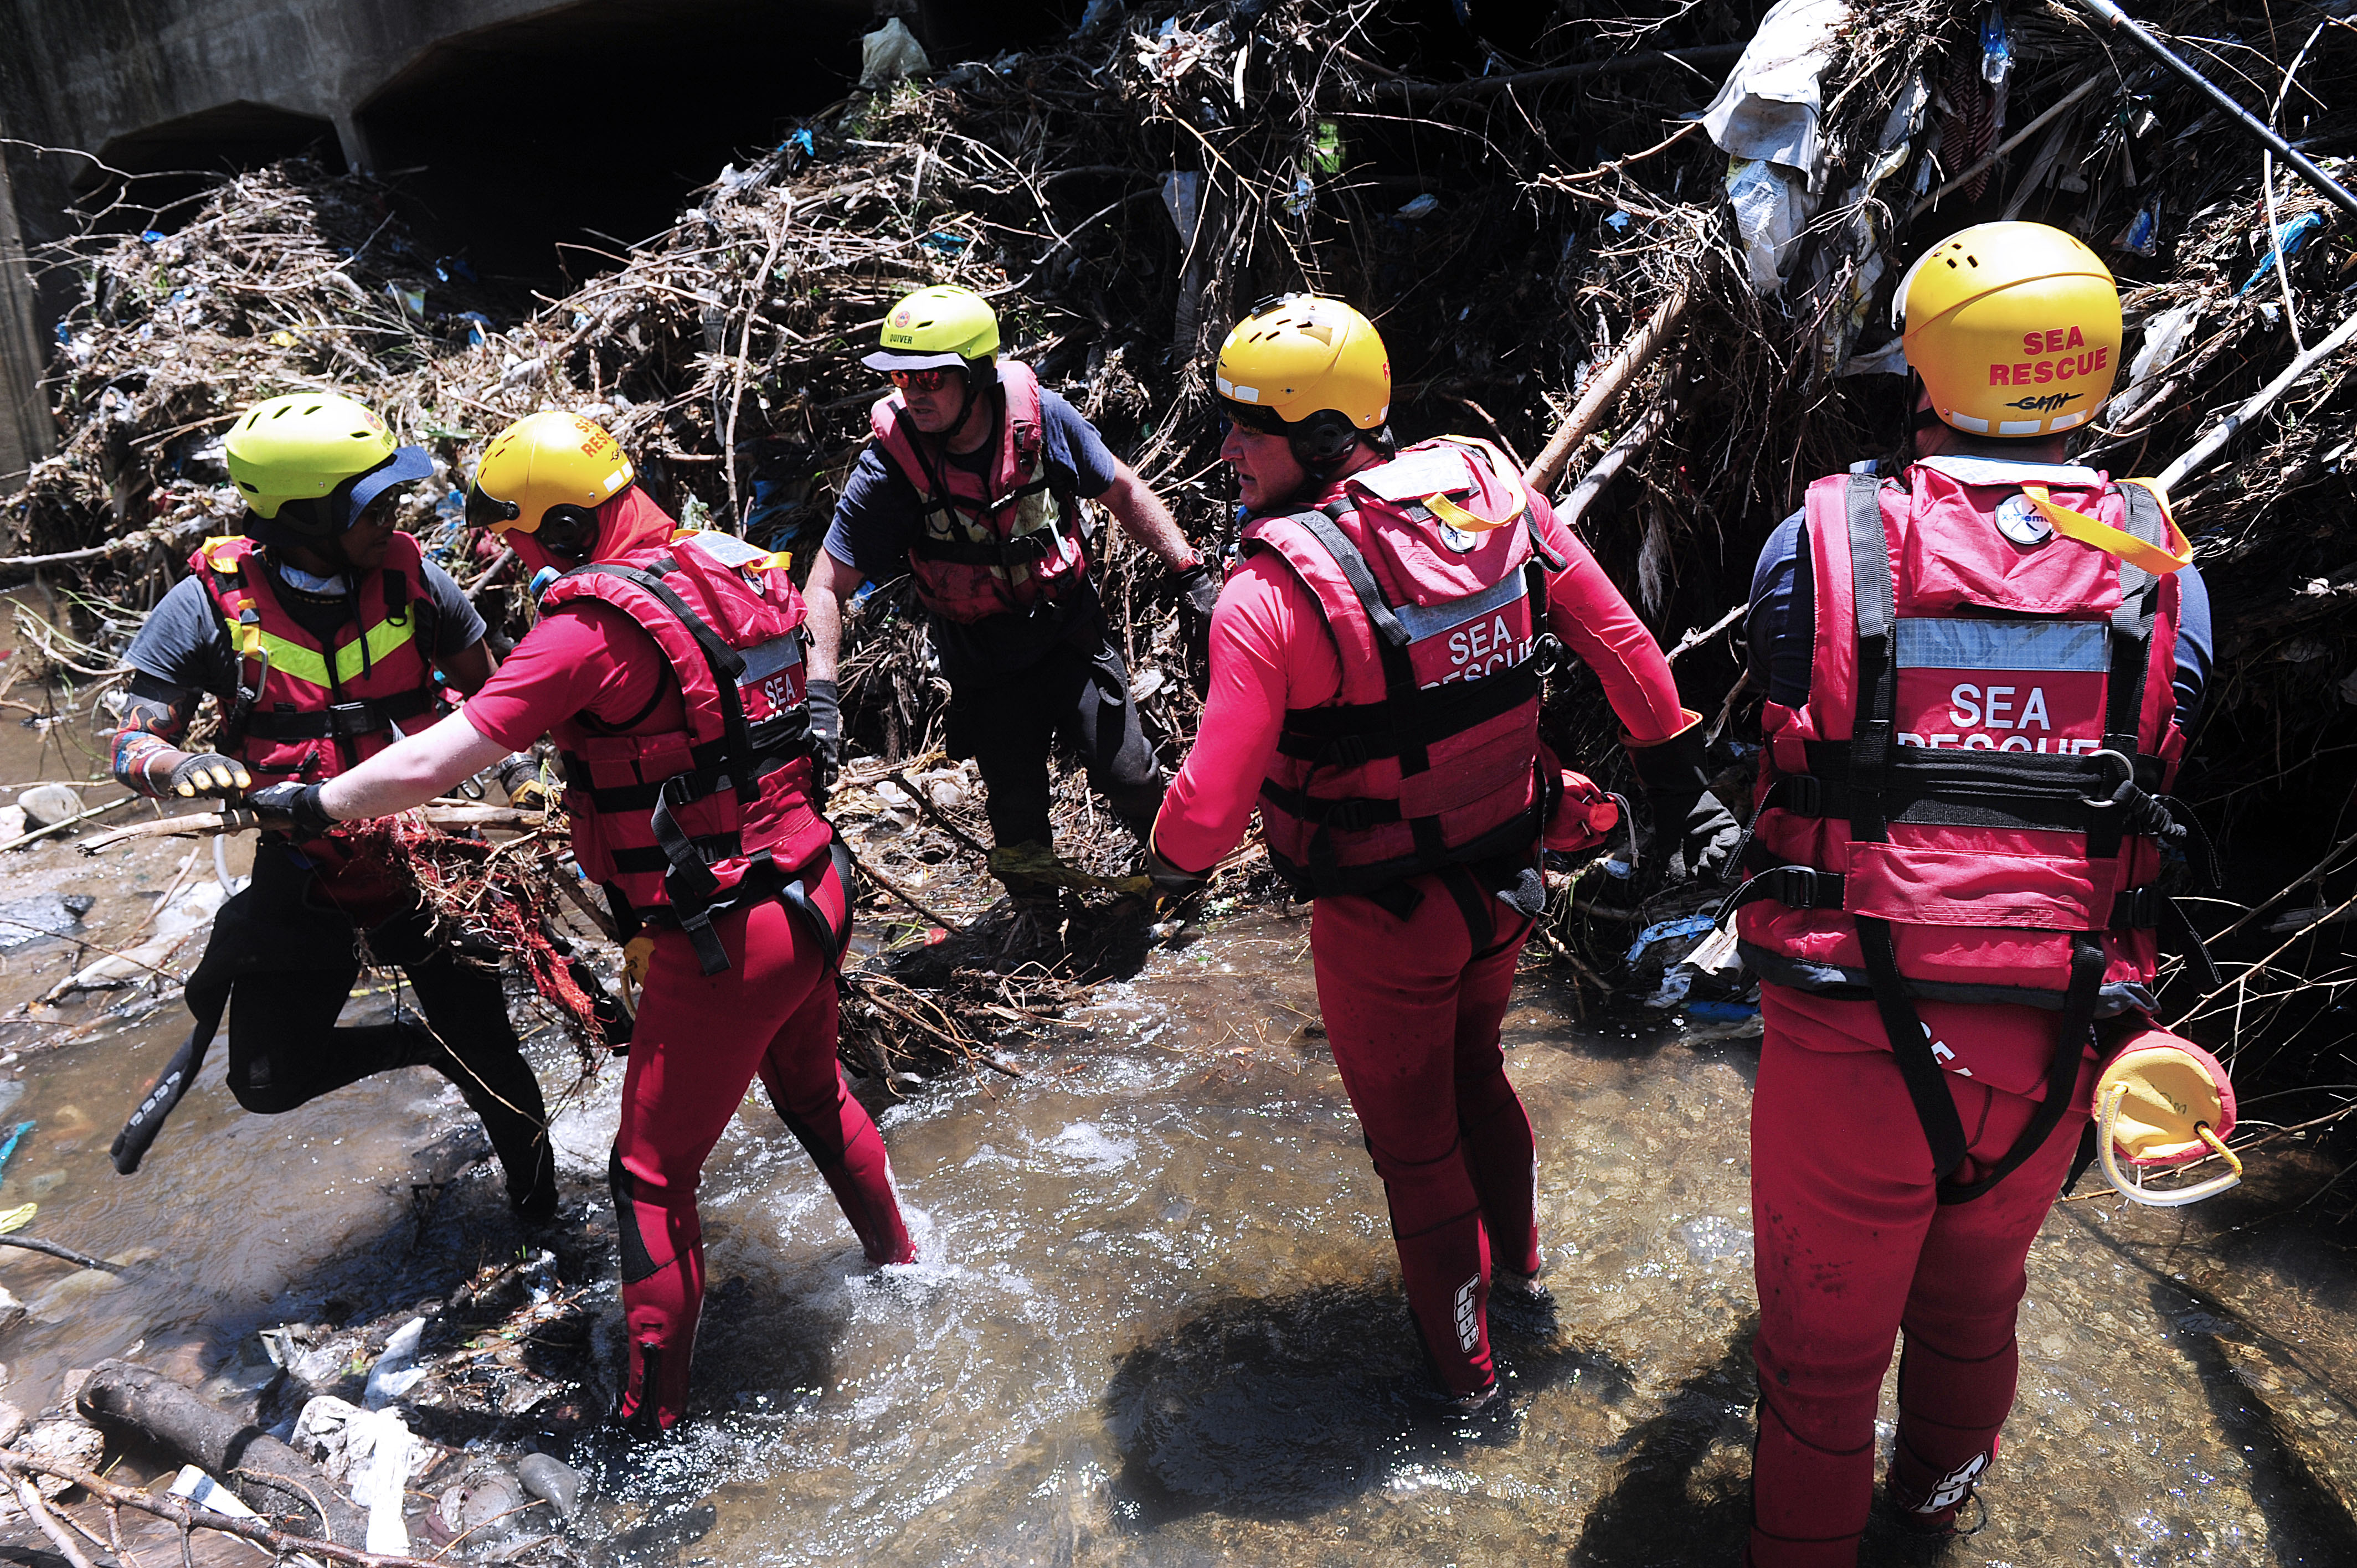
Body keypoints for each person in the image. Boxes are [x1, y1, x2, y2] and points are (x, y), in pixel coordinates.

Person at [246, 410, 915, 1435]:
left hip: (727, 934)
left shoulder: (589, 630)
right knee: (815, 1100)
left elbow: (436, 760)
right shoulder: (732, 563)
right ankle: (905, 1270)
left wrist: (318, 805)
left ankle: (651, 1431)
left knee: (647, 1174)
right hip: (818, 889)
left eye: (515, 539)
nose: (507, 562)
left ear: (561, 529)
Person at [1724, 221, 2218, 1564]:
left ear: (1930, 369)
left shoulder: (1818, 539)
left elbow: (1782, 719)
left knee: (1820, 1376)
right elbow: (2165, 743)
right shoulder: (2164, 561)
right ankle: (1932, 1522)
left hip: (1852, 1032)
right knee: (1971, 1317)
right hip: (2056, 1035)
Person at [1147, 294, 1737, 1410]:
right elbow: (1619, 641)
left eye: (1246, 426)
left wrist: (1158, 870)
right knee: (1477, 1075)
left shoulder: (1266, 594)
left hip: (1385, 924)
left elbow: (1203, 819)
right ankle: (1518, 1282)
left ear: (1323, 438)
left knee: (1417, 1151)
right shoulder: (1487, 497)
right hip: (1506, 883)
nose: (1223, 447)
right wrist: (1674, 781)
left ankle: (1469, 1393)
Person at [106, 391, 557, 1221]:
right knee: (266, 1084)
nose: (396, 512)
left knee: (497, 1065)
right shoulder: (207, 603)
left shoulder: (416, 576)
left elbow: (501, 699)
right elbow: (132, 743)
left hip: (431, 860)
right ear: (306, 514)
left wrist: (525, 783)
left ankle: (541, 1221)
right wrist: (182, 765)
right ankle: (422, 1048)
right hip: (307, 868)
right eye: (373, 501)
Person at [801, 284, 1218, 892]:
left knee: (1130, 775)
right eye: (902, 382)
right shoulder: (890, 466)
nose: (913, 395)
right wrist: (819, 698)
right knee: (1017, 817)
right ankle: (1038, 928)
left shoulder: (1044, 419)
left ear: (974, 375)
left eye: (930, 380)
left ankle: (1182, 882)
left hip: (1066, 631)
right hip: (982, 657)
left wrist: (1190, 570)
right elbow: (825, 584)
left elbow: (1123, 492)